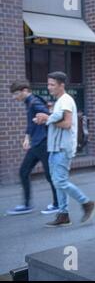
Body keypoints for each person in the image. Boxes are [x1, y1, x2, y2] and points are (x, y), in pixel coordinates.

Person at [34, 71, 95, 227]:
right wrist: (48, 118)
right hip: (56, 148)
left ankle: (87, 203)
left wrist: (47, 118)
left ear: (61, 85)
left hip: (63, 148)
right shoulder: (60, 101)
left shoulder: (65, 100)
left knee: (60, 181)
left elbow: (68, 124)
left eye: (52, 85)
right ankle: (63, 215)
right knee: (58, 182)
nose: (49, 88)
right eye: (48, 84)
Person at [7, 80, 58, 215]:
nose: (14, 97)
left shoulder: (34, 102)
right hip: (36, 143)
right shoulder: (30, 102)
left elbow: (49, 116)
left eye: (16, 94)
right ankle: (27, 204)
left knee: (49, 175)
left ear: (25, 90)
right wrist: (27, 137)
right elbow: (31, 122)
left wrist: (45, 117)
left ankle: (57, 203)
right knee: (24, 171)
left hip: (43, 143)